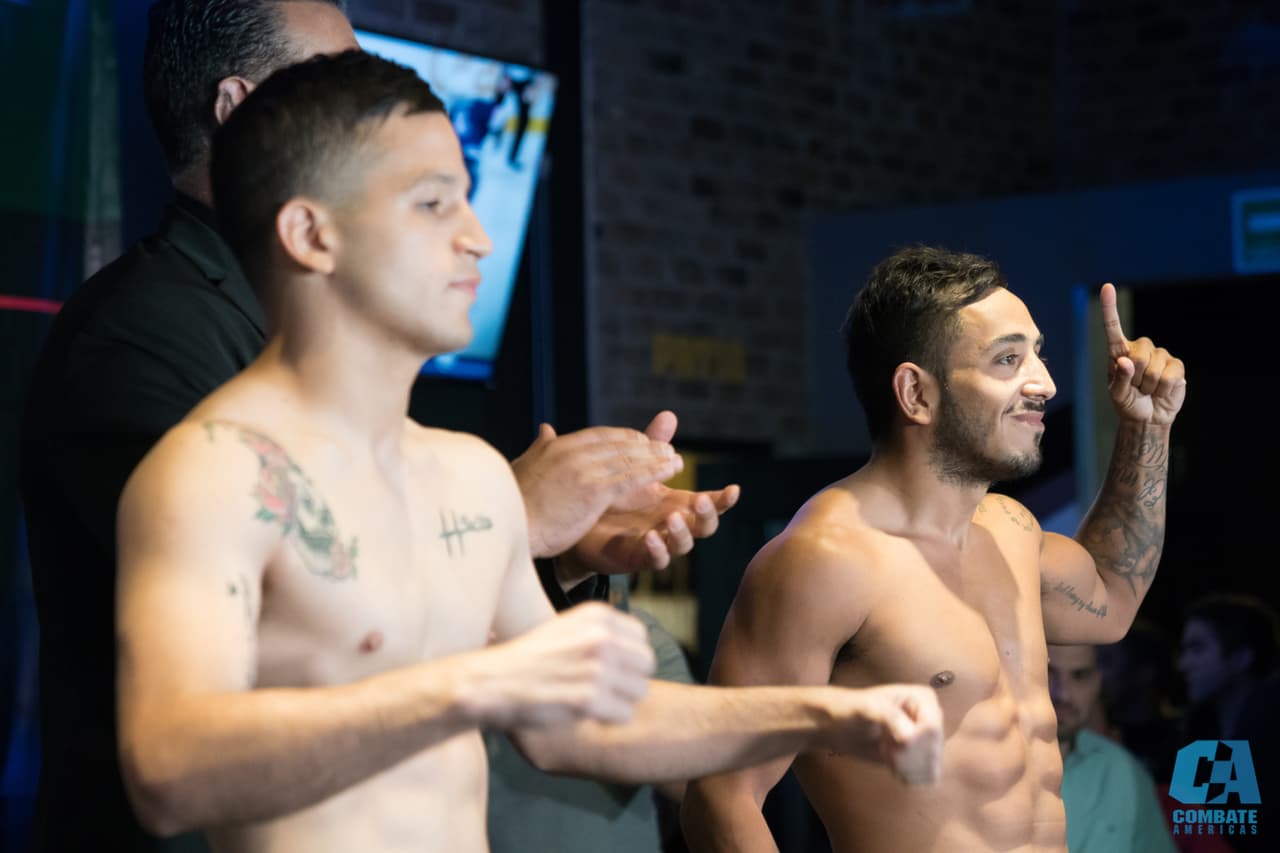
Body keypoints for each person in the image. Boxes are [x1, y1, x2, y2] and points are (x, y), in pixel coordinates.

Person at [111, 49, 945, 853]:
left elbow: (581, 726)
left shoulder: (469, 474)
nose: (477, 238)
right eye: (433, 204)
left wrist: (825, 713)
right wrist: (475, 682)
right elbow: (167, 768)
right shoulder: (213, 471)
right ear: (310, 233)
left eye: (470, 201)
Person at [17, 2, 737, 851]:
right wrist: (511, 513)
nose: (474, 239)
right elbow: (297, 612)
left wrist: (544, 547)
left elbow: (539, 700)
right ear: (240, 112)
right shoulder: (138, 339)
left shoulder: (355, 365)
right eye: (433, 203)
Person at [681, 245, 1187, 852]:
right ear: (915, 393)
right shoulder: (828, 559)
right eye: (1008, 359)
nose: (1045, 384)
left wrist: (1147, 427)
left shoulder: (1011, 531)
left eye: (1038, 354)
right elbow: (722, 795)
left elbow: (1112, 598)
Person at [1048, 643, 1176, 853]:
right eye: (1048, 673)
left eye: (1080, 675)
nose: (1062, 694)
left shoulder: (1123, 771)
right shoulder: (991, 765)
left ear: (1097, 683)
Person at [1178, 593, 1279, 742]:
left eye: (1197, 649)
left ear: (1241, 658)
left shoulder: (1271, 734)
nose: (1183, 665)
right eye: (1185, 650)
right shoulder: (1197, 730)